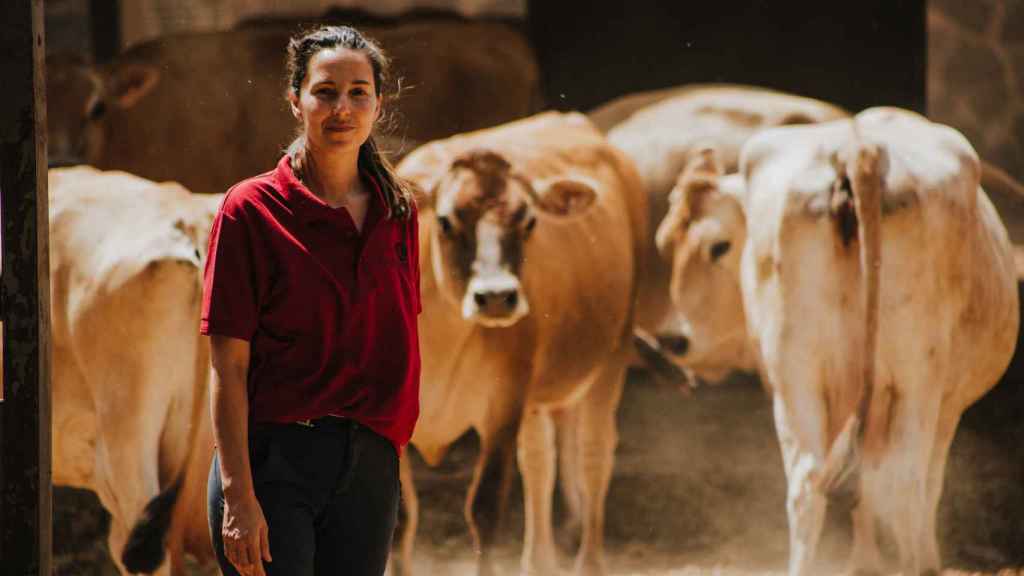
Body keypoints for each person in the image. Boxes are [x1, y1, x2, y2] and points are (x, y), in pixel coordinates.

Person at [201, 25, 421, 576]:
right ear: (295, 100)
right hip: (273, 464)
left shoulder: (399, 212)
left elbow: (398, 338)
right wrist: (238, 497)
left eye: (358, 93)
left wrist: (390, 453)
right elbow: (228, 366)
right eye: (324, 91)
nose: (341, 108)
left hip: (369, 465)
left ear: (378, 103)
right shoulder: (249, 210)